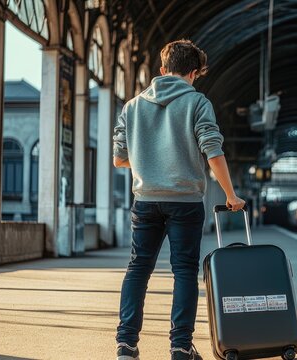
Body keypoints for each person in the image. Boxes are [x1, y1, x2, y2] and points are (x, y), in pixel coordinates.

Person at [113, 39, 245, 360]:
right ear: (194, 72)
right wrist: (230, 195)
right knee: (184, 271)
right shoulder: (197, 102)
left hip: (145, 200)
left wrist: (151, 160)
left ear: (162, 70)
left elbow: (120, 159)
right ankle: (180, 346)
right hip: (185, 201)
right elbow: (212, 150)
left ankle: (126, 343)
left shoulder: (132, 106)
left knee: (138, 268)